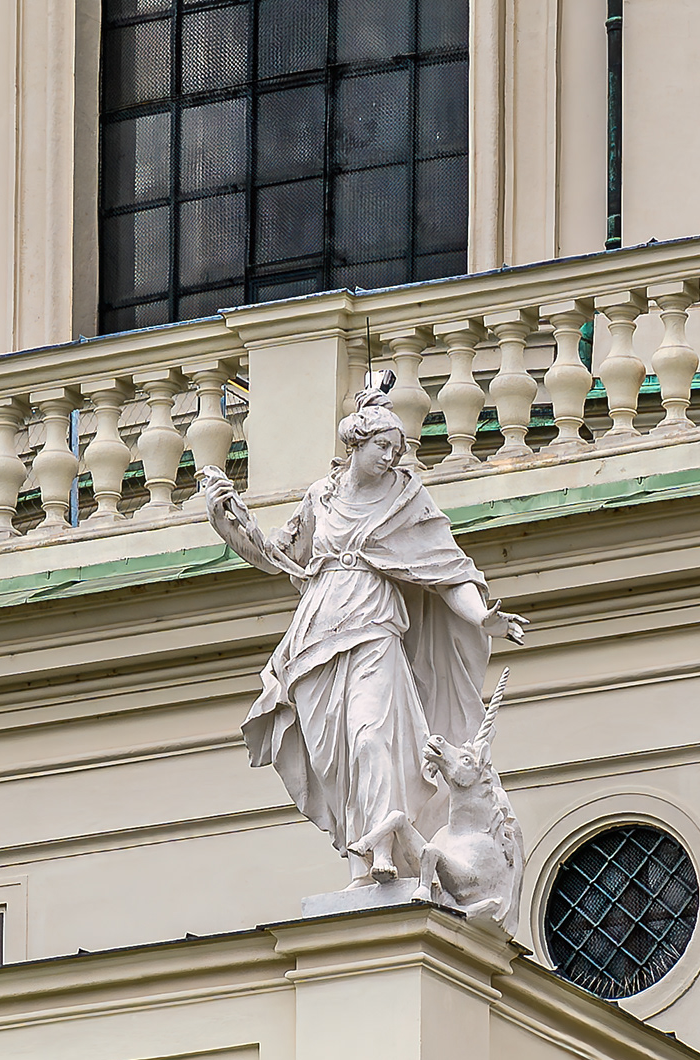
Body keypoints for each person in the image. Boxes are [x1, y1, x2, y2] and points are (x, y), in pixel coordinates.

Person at [197, 373, 528, 904]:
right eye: (382, 446)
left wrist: (481, 616)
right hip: (317, 637)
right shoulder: (320, 499)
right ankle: (359, 858)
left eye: (396, 450)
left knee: (373, 738)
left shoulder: (405, 498)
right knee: (340, 755)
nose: (390, 458)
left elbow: (448, 567)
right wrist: (225, 519)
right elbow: (277, 557)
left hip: (375, 628)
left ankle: (382, 849)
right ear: (357, 442)